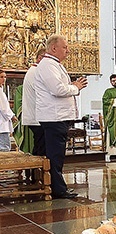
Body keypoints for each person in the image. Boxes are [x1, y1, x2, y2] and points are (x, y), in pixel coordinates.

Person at [35, 35, 88, 199]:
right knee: (55, 155)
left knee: (56, 154)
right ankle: (58, 189)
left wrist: (72, 86)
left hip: (57, 117)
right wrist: (76, 87)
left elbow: (60, 87)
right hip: (54, 117)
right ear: (53, 48)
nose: (68, 50)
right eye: (65, 47)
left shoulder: (54, 65)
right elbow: (57, 90)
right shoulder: (47, 65)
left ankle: (56, 186)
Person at [21, 48, 47, 157]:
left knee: (39, 146)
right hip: (37, 117)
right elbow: (44, 93)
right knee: (41, 149)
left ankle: (37, 172)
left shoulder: (35, 71)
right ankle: (40, 173)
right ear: (40, 58)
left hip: (37, 116)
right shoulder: (36, 72)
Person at [0, 69, 17, 151]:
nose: (4, 79)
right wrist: (12, 116)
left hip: (2, 123)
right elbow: (4, 108)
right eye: (1, 77)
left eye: (5, 77)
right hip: (2, 125)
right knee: (5, 149)